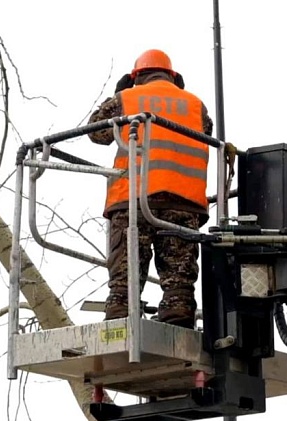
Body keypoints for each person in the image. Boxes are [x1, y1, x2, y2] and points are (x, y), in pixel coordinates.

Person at [87, 49, 213, 328]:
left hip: (133, 199)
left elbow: (96, 133)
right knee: (179, 278)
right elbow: (207, 133)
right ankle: (178, 315)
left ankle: (120, 317)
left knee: (125, 274)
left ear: (137, 77)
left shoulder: (127, 99)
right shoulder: (196, 106)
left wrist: (116, 95)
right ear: (173, 76)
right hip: (183, 202)